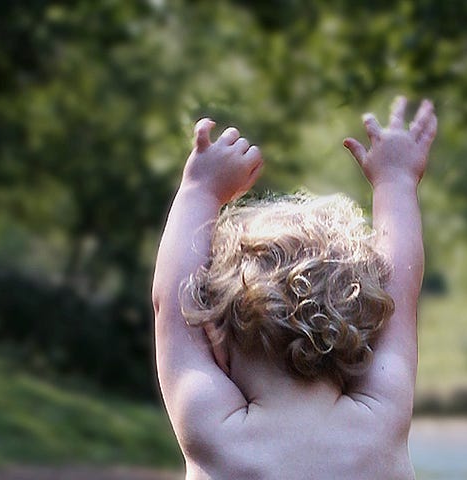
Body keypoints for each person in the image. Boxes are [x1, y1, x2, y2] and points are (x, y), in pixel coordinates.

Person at [151, 96, 436, 479]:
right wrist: (396, 180)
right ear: (367, 325)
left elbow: (170, 304)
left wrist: (199, 190)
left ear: (215, 335)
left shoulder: (215, 429)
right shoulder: (379, 416)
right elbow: (401, 287)